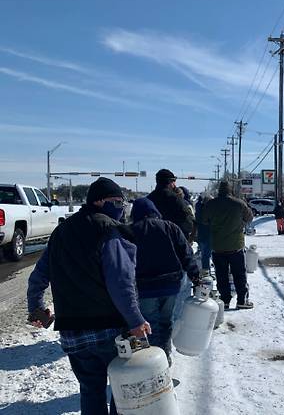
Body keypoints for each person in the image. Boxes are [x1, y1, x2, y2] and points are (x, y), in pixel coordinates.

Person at [27, 177, 149, 415]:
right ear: (102, 202)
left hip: (73, 333)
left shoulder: (61, 232)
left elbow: (38, 278)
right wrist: (135, 321)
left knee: (90, 389)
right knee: (121, 387)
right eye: (118, 201)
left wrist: (37, 309)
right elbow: (121, 283)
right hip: (109, 330)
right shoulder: (109, 231)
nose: (122, 207)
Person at [129, 198, 199, 365]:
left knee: (150, 324)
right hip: (171, 285)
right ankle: (165, 356)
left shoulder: (130, 231)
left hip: (145, 288)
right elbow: (186, 253)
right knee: (166, 322)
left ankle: (154, 364)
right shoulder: (170, 227)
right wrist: (195, 275)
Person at [200, 181, 254, 310]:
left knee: (221, 275)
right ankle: (242, 300)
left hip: (218, 246)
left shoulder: (211, 204)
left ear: (219, 190)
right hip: (236, 245)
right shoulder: (239, 203)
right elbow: (249, 218)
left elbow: (204, 220)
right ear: (231, 190)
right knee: (239, 274)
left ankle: (224, 300)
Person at [147, 169, 194, 239]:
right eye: (174, 181)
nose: (175, 185)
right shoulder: (176, 199)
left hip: (152, 240)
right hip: (173, 240)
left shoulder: (149, 199)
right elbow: (189, 223)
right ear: (170, 182)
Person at [195, 193, 213, 275]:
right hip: (210, 236)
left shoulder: (199, 209)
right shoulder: (209, 211)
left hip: (201, 235)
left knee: (204, 255)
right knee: (207, 255)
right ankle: (207, 272)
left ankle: (205, 272)